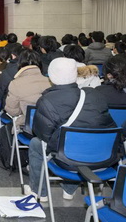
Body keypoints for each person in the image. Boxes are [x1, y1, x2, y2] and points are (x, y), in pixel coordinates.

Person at [27, 58, 116, 200]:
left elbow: (43, 135)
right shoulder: (94, 95)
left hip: (69, 159)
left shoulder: (47, 100)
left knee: (36, 143)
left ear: (51, 76)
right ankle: (69, 189)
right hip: (103, 157)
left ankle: (39, 192)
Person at [4, 50, 50, 126]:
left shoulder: (15, 84)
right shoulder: (50, 82)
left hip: (26, 124)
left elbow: (12, 111)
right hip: (47, 125)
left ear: (20, 64)